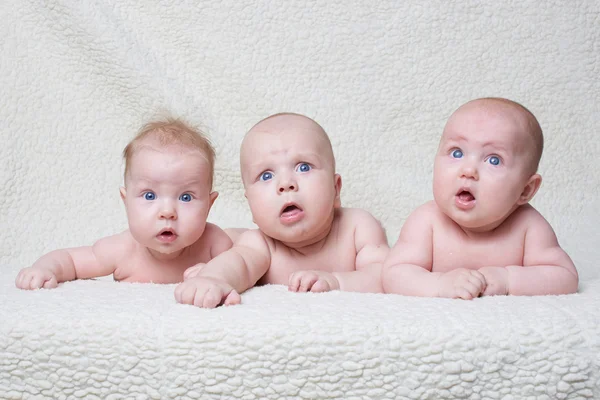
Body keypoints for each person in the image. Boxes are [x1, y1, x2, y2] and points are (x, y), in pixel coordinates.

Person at [176, 113, 389, 308]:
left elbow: (384, 274)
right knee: (230, 244)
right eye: (266, 175)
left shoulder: (358, 227)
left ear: (335, 189)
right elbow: (238, 264)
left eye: (303, 167)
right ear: (250, 205)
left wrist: (336, 281)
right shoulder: (260, 244)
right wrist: (214, 278)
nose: (286, 184)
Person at [382, 97, 578, 299]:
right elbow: (394, 274)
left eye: (494, 160)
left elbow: (565, 277)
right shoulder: (427, 221)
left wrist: (508, 279)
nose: (468, 170)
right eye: (457, 153)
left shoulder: (529, 226)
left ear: (525, 190)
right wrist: (440, 284)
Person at [15, 118, 232, 289]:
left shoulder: (215, 246)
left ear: (209, 205)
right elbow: (69, 260)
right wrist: (44, 269)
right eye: (149, 196)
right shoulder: (121, 250)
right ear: (125, 200)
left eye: (186, 197)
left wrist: (219, 274)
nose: (167, 212)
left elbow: (249, 268)